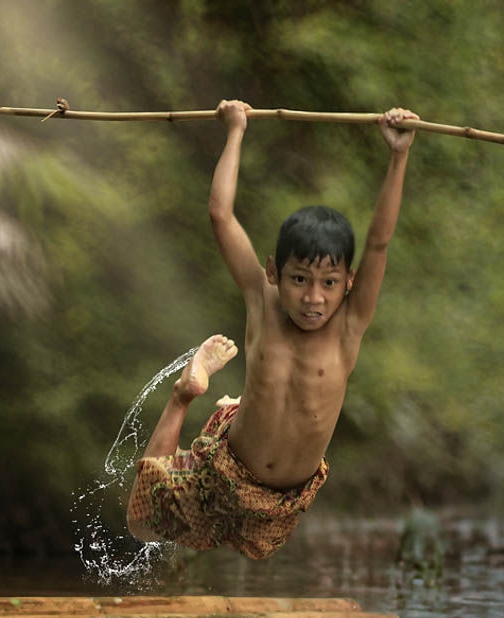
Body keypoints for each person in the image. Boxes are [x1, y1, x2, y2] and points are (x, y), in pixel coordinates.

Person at [126, 99, 418, 559]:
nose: (313, 298)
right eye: (299, 280)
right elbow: (221, 215)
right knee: (143, 522)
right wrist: (236, 130)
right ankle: (185, 393)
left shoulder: (349, 326)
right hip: (228, 472)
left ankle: (216, 403)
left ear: (349, 284)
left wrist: (398, 155)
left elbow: (379, 242)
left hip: (282, 501)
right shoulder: (262, 304)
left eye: (328, 284)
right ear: (273, 272)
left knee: (245, 551)